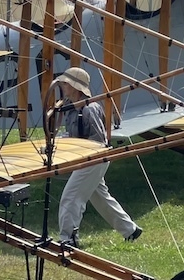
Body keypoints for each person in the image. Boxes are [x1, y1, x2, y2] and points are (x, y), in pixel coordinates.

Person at [52, 66, 141, 249]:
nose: (63, 86)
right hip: (86, 159)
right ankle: (130, 229)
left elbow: (98, 140)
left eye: (66, 84)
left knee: (71, 197)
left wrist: (75, 145)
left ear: (75, 87)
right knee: (100, 197)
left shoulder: (89, 109)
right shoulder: (73, 108)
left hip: (93, 159)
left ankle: (67, 238)